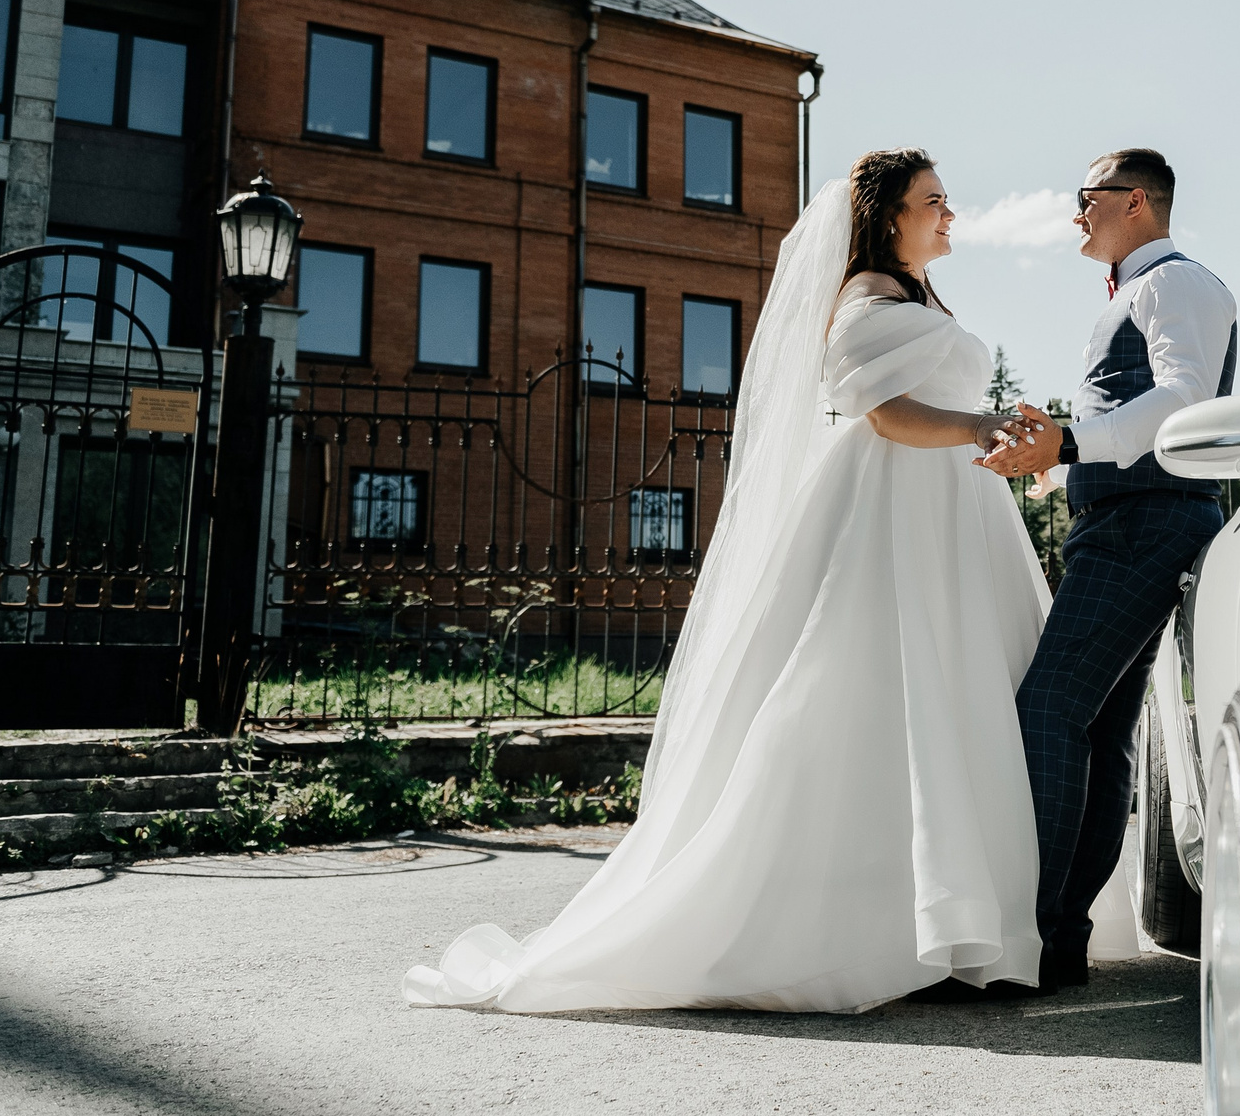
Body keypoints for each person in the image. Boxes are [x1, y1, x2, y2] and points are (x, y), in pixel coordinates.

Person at [402, 150, 1052, 1013]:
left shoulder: (922, 297)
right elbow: (886, 412)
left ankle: (966, 923)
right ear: (888, 215)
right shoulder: (865, 295)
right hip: (892, 510)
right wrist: (981, 422)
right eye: (934, 200)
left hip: (956, 511)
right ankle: (892, 925)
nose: (951, 214)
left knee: (960, 700)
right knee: (877, 699)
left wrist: (1004, 429)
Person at [982, 148, 1236, 994]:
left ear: (1134, 201)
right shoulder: (1141, 289)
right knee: (1095, 727)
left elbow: (1181, 399)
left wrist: (1072, 443)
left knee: (1050, 708)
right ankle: (1058, 941)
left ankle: (1033, 933)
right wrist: (1053, 460)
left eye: (1083, 198)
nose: (1073, 214)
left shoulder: (1177, 284)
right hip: (1128, 518)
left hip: (1145, 524)